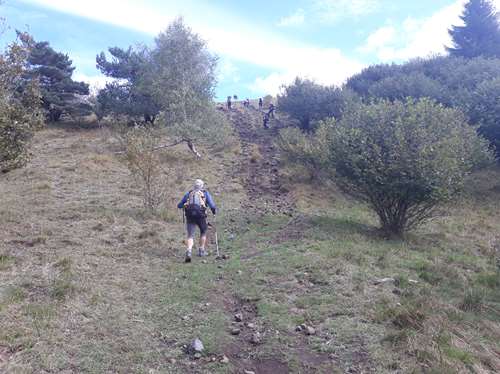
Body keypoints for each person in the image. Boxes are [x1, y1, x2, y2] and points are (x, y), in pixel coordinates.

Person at [177, 179, 217, 263]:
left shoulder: (189, 193)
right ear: (202, 186)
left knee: (190, 235)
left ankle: (189, 251)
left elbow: (179, 205)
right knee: (203, 231)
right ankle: (201, 250)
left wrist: (184, 206)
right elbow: (212, 205)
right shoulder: (205, 193)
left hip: (190, 216)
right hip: (201, 215)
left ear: (194, 186)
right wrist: (214, 211)